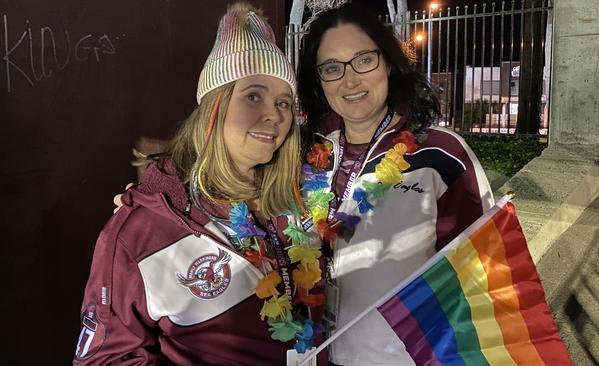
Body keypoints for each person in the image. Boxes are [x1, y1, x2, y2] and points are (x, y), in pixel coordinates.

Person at [74, 3, 326, 365]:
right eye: (253, 96)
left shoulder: (300, 200)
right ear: (214, 108)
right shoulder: (141, 231)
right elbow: (105, 359)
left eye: (284, 101)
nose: (275, 114)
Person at [297, 3, 494, 365]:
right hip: (314, 354)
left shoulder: (441, 155)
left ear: (387, 61)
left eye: (364, 60)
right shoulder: (305, 153)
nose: (350, 80)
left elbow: (480, 273)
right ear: (319, 80)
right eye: (331, 68)